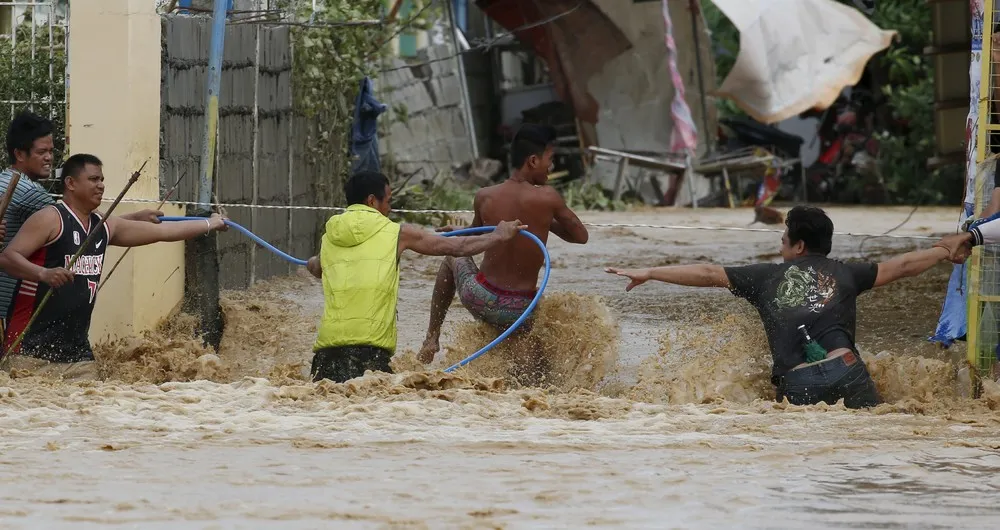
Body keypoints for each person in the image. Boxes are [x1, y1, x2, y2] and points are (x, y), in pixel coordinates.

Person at [606, 205, 971, 409]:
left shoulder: (764, 277)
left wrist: (651, 272)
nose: (779, 246)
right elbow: (905, 265)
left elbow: (705, 272)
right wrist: (947, 248)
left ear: (797, 247)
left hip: (799, 381)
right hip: (847, 369)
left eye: (782, 240)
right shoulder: (848, 274)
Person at [0, 154, 229, 380]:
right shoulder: (50, 219)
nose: (100, 185)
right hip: (29, 352)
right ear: (70, 183)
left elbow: (163, 232)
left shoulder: (103, 225)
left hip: (77, 355)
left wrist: (210, 223)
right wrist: (43, 273)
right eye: (93, 179)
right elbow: (8, 257)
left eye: (102, 180)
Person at [305, 170, 526, 383]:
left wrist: (312, 263)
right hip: (368, 354)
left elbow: (317, 268)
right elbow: (458, 248)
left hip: (325, 354)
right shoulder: (397, 233)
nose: (390, 209)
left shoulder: (329, 238)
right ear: (372, 201)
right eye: (388, 201)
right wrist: (498, 235)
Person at [417, 124, 589, 363]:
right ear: (532, 161)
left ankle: (431, 338)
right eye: (549, 160)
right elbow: (581, 236)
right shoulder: (548, 197)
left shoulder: (485, 195)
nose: (552, 167)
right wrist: (545, 219)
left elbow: (477, 237)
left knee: (452, 257)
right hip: (519, 311)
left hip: (480, 298)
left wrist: (460, 231)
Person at [0, 111, 162, 328]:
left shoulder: (5, 179)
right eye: (42, 152)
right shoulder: (30, 192)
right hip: (9, 303)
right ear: (20, 154)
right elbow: (73, 223)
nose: (49, 157)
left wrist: (133, 217)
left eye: (50, 151)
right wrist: (133, 218)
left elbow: (81, 225)